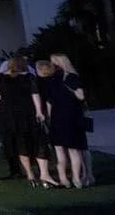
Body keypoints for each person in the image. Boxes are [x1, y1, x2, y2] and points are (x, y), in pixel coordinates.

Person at [0, 56, 47, 184]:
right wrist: (39, 111)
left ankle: (29, 173)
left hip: (9, 114)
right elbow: (35, 94)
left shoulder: (1, 78)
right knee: (33, 141)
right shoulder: (28, 77)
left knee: (19, 144)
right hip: (27, 112)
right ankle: (41, 171)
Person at [37, 58, 88, 188]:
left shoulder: (50, 81)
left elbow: (49, 101)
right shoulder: (72, 77)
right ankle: (76, 178)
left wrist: (48, 117)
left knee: (59, 150)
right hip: (72, 115)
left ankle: (63, 178)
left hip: (57, 116)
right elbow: (81, 96)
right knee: (74, 150)